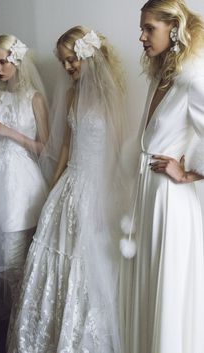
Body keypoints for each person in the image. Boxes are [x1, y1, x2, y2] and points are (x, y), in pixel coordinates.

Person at [7, 25, 128, 353]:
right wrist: (53, 184)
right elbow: (64, 146)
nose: (68, 67)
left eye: (73, 59)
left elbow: (115, 150)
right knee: (52, 257)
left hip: (97, 186)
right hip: (70, 183)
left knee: (87, 262)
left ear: (90, 55)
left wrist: (108, 196)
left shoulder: (109, 94)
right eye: (63, 62)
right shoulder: (72, 94)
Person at [120, 1, 204, 352]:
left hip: (169, 201)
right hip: (148, 193)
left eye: (148, 28)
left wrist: (187, 173)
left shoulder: (192, 77)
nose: (141, 36)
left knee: (166, 288)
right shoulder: (163, 74)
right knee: (147, 284)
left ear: (174, 27)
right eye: (142, 28)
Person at [0, 34, 49, 353]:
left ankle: (23, 335)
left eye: (3, 61)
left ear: (17, 60)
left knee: (17, 264)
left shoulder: (35, 98)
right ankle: (9, 333)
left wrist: (8, 132)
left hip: (21, 182)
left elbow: (45, 148)